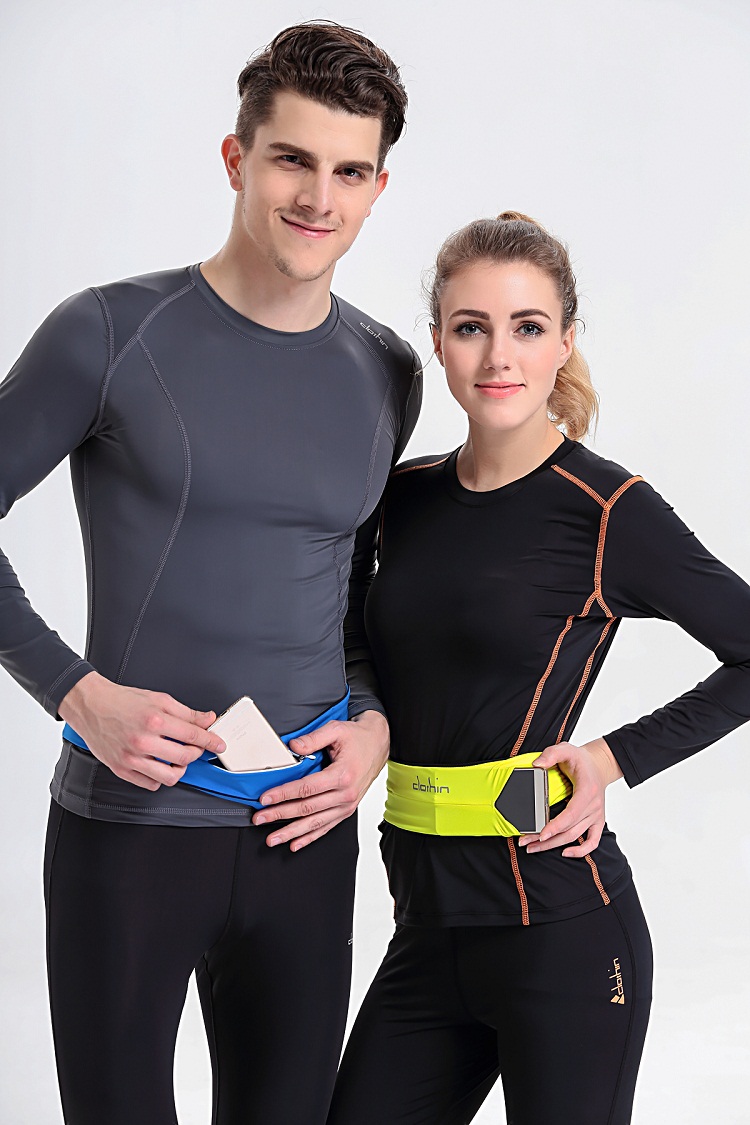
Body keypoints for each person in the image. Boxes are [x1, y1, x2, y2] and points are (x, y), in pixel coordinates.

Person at [0, 22, 421, 1125]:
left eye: (349, 172)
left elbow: (353, 593)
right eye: (292, 160)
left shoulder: (387, 368)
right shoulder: (107, 332)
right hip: (130, 834)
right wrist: (75, 692)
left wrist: (373, 723)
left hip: (304, 834)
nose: (318, 197)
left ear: (379, 188)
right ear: (237, 160)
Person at [327, 212, 750, 1125]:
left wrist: (608, 759)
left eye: (526, 327)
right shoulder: (399, 497)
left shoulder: (608, 509)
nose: (498, 356)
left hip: (562, 934)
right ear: (438, 341)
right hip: (424, 931)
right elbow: (348, 634)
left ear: (565, 342)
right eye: (471, 327)